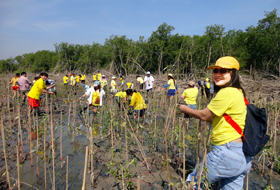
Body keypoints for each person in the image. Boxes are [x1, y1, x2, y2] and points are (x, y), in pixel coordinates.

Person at [179, 56, 251, 189]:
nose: (217, 74)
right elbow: (216, 118)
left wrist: (185, 109)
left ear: (233, 73)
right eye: (215, 70)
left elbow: (204, 115)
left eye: (223, 71)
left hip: (226, 152)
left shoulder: (227, 92)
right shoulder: (238, 92)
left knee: (192, 184)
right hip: (242, 156)